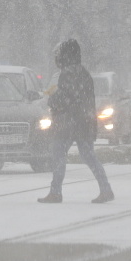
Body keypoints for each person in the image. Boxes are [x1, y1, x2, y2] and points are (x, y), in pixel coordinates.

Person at [38, 39, 114, 204]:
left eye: (59, 55)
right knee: (89, 156)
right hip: (84, 122)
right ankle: (106, 189)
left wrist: (52, 101)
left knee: (58, 154)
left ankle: (55, 192)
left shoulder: (68, 73)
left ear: (64, 55)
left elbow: (66, 97)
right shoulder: (83, 72)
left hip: (69, 123)